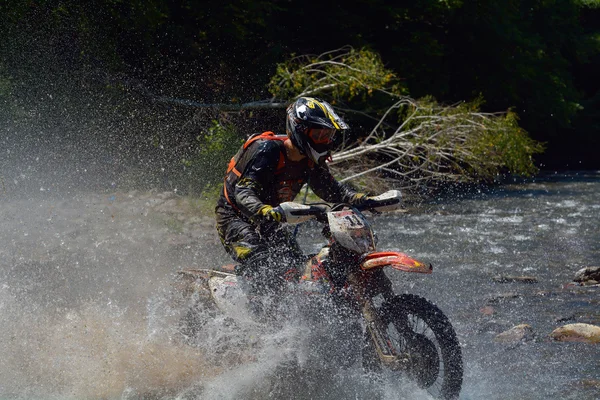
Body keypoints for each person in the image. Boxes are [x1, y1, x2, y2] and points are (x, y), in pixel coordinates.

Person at [215, 97, 374, 297]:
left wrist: (368, 200)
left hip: (273, 220)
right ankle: (257, 319)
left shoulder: (310, 161)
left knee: (295, 268)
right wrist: (265, 210)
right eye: (319, 134)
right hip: (235, 218)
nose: (325, 141)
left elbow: (335, 192)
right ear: (300, 130)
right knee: (264, 265)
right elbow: (243, 193)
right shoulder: (266, 150)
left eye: (329, 135)